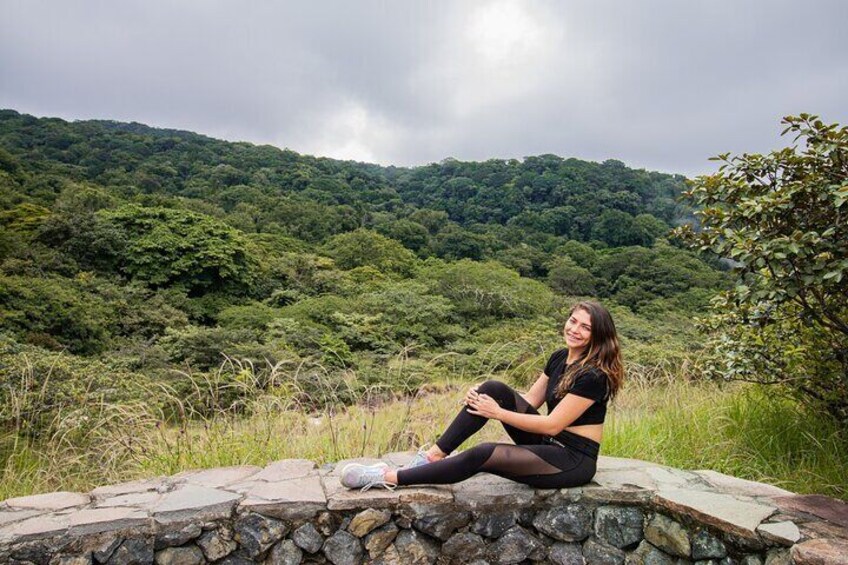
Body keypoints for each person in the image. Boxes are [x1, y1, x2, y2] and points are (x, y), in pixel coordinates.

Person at [340, 300, 624, 491]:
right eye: (573, 321)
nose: (574, 329)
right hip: (548, 442)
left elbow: (552, 424)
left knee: (485, 453)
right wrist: (484, 399)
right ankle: (432, 457)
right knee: (494, 388)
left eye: (585, 327)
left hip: (571, 459)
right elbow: (530, 401)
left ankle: (389, 478)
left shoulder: (594, 375)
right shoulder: (560, 357)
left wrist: (496, 413)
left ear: (598, 335)